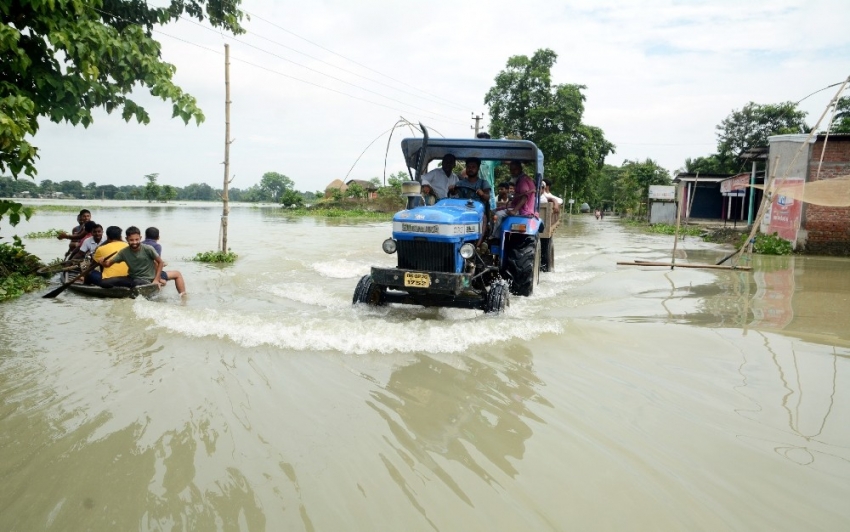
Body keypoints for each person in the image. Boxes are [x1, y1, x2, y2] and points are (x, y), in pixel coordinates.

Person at [102, 226, 186, 295]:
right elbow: (108, 264)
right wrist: (102, 262)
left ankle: (183, 295)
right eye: (131, 240)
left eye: (137, 239)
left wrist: (157, 279)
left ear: (140, 238)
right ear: (127, 239)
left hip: (149, 278)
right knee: (104, 282)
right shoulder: (124, 252)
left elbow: (160, 262)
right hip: (133, 278)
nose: (134, 242)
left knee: (177, 274)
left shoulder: (148, 249)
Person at [490, 160, 537, 239]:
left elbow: (524, 197)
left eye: (515, 169)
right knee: (493, 211)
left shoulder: (523, 181)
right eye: (511, 170)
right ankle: (493, 232)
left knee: (498, 214)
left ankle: (495, 237)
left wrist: (514, 210)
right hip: (518, 206)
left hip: (523, 210)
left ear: (520, 169)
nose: (513, 172)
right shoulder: (521, 179)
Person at [142, 226, 186, 291]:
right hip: (150, 273)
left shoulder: (139, 244)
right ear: (158, 237)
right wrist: (159, 278)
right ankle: (183, 296)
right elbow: (155, 262)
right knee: (177, 274)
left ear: (145, 236)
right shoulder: (156, 246)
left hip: (140, 272)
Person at [476, 132, 499, 211]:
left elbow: (506, 161)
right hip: (476, 189)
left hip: (488, 189)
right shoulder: (475, 158)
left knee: (491, 211)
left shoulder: (491, 157)